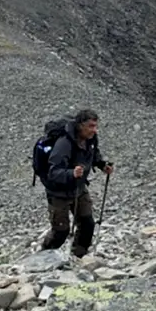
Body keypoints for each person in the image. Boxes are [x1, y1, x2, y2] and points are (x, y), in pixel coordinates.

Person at [42, 109, 114, 258]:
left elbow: (93, 154)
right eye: (91, 126)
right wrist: (71, 173)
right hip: (58, 193)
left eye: (96, 126)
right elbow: (53, 172)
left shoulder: (90, 139)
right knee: (61, 231)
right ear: (81, 125)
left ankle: (78, 256)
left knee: (87, 224)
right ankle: (43, 257)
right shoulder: (64, 143)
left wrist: (102, 165)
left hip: (79, 189)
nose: (95, 130)